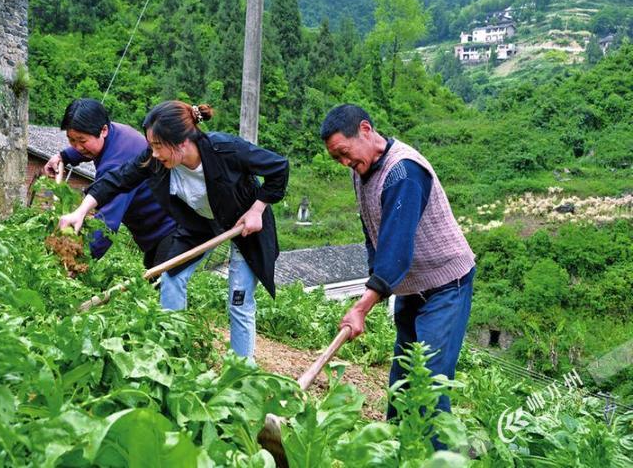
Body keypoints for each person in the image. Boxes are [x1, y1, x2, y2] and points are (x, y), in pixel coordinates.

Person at [59, 101, 289, 358]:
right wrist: (80, 211)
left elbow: (278, 167)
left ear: (181, 143)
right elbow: (119, 178)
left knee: (239, 301)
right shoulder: (157, 159)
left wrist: (257, 210)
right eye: (151, 145)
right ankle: (171, 353)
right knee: (169, 277)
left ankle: (241, 370)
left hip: (247, 228)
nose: (153, 154)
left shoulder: (225, 150)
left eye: (157, 146)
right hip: (201, 226)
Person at [320, 104, 475, 445]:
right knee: (403, 379)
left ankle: (441, 458)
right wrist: (376, 280)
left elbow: (396, 247)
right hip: (411, 287)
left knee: (430, 384)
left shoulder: (404, 172)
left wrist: (362, 306)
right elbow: (373, 234)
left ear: (365, 130)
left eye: (344, 153)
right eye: (337, 159)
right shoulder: (360, 172)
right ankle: (393, 451)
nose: (345, 163)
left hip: (447, 285)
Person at [44, 99, 178, 269]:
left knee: (164, 281)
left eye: (82, 140)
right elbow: (87, 146)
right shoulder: (110, 131)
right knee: (154, 278)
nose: (77, 147)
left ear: (104, 130)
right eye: (71, 140)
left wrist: (77, 262)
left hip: (170, 227)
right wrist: (64, 156)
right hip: (152, 229)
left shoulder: (116, 164)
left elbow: (106, 224)